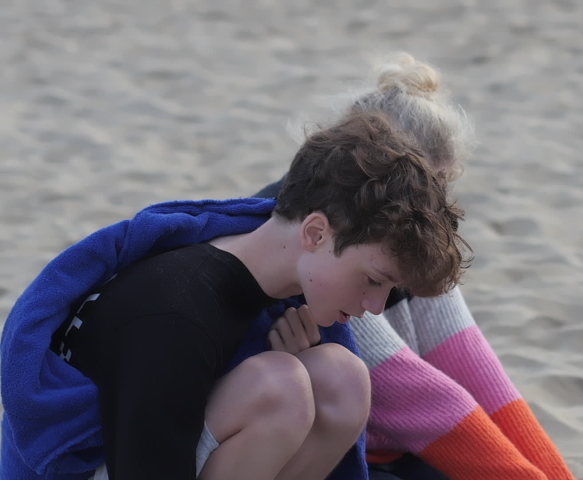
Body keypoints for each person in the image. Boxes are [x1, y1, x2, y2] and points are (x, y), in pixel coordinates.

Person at [0, 111, 469, 480]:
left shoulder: (267, 278)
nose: (374, 306)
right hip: (75, 468)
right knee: (280, 387)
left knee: (340, 379)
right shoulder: (176, 313)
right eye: (372, 279)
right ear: (314, 232)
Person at [257, 53, 576, 480]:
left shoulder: (407, 224)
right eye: (426, 192)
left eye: (441, 191)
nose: (434, 211)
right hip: (325, 453)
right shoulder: (323, 235)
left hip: (382, 441)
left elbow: (471, 364)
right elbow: (409, 394)